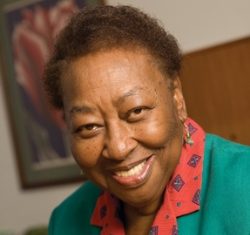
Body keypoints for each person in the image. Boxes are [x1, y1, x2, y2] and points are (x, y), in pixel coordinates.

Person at [43, 5, 250, 235]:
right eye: (89, 126)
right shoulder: (65, 221)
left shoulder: (244, 185)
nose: (118, 148)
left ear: (177, 99)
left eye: (136, 111)